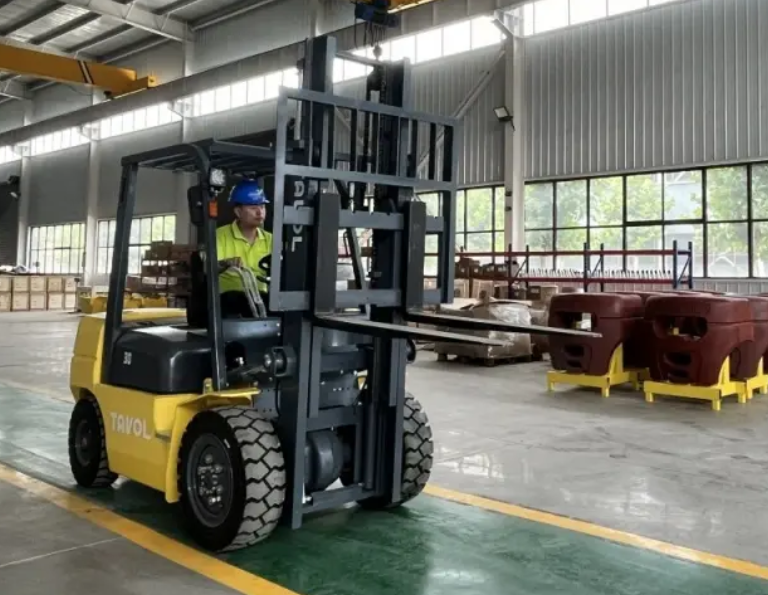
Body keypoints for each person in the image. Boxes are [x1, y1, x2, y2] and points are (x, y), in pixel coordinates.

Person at [216, 179, 272, 317]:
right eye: (253, 208)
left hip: (260, 296)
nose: (260, 213)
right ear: (238, 212)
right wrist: (226, 263)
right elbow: (208, 268)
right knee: (239, 301)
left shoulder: (270, 239)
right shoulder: (220, 235)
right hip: (230, 295)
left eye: (262, 207)